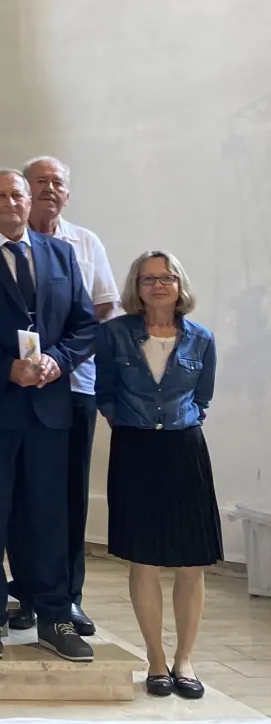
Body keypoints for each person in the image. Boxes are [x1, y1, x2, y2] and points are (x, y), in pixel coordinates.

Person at [0, 169, 98, 663]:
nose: (11, 202)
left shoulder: (61, 254)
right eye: (0, 195)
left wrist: (58, 361)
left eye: (18, 194)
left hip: (49, 408)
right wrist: (6, 368)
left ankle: (53, 615)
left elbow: (85, 326)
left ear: (31, 202)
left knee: (49, 516)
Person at [6, 156, 122, 636]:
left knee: (69, 493)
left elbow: (102, 311)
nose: (50, 189)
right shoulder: (2, 244)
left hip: (74, 387)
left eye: (58, 183)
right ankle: (28, 590)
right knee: (20, 493)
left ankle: (69, 595)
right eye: (40, 182)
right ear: (25, 193)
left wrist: (60, 358)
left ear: (67, 194)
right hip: (17, 387)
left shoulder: (85, 242)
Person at [97, 251, 221, 700]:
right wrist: (134, 427)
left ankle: (185, 659)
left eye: (166, 277)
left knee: (191, 562)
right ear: (137, 287)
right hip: (134, 449)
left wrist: (173, 426)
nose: (157, 285)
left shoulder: (202, 339)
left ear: (178, 284)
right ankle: (155, 659)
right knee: (143, 559)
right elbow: (104, 393)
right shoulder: (114, 335)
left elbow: (202, 399)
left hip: (184, 450)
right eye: (148, 279)